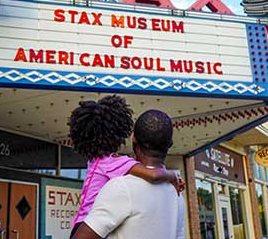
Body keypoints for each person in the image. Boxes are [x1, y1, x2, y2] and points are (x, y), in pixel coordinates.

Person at [68, 95, 183, 238]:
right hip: (88, 225)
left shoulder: (95, 162)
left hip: (80, 222)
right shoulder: (116, 164)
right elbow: (152, 175)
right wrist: (173, 176)